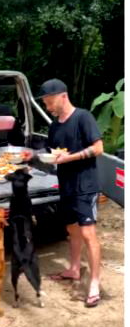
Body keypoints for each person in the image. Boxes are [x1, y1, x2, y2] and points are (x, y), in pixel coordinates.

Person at [39, 78, 104, 307]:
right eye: (45, 104)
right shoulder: (56, 124)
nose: (48, 108)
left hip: (85, 186)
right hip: (65, 185)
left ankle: (94, 283)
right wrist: (31, 156)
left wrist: (70, 158)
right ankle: (74, 269)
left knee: (88, 234)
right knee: (71, 229)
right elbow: (51, 151)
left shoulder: (83, 117)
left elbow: (98, 148)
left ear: (63, 95)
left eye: (50, 102)